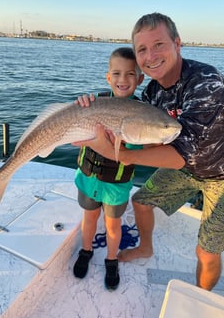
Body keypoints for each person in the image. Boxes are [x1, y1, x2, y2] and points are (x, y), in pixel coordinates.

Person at [73, 12, 224, 291]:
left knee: (206, 252)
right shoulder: (151, 94)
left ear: (177, 44)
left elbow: (179, 152)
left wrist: (119, 154)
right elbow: (151, 143)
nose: (151, 55)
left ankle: (198, 299)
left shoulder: (207, 81)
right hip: (185, 169)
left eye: (159, 44)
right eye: (142, 49)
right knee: (141, 202)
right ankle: (145, 248)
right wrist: (93, 111)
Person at [73, 47, 144, 290]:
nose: (122, 80)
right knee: (89, 218)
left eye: (130, 74)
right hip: (89, 177)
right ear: (108, 77)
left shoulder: (142, 113)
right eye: (117, 73)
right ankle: (85, 250)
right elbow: (75, 128)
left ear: (140, 78)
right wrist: (78, 107)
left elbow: (134, 150)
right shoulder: (94, 101)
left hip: (117, 184)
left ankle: (111, 260)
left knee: (113, 226)